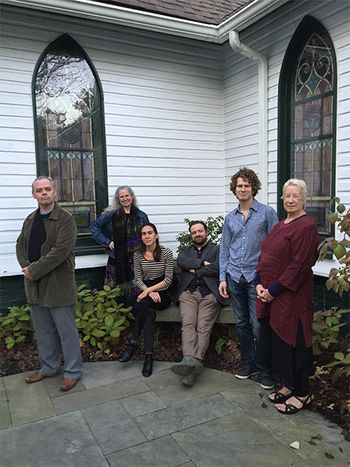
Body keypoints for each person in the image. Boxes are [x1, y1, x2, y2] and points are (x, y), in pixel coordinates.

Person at [256, 179, 319, 414]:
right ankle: (289, 384)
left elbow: (299, 265)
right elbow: (266, 255)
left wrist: (273, 290)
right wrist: (258, 284)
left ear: (303, 199)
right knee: (280, 345)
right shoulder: (280, 224)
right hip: (271, 295)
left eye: (295, 195)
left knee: (296, 343)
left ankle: (303, 393)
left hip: (291, 298)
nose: (290, 200)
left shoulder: (307, 226)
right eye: (287, 196)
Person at [16, 176, 83, 392]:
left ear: (54, 192)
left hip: (58, 285)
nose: (44, 193)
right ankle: (49, 367)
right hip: (34, 286)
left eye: (47, 189)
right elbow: (20, 245)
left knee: (66, 331)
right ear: (33, 194)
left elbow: (60, 252)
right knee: (43, 331)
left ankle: (73, 372)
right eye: (39, 190)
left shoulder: (65, 220)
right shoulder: (29, 219)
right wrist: (26, 266)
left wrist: (32, 270)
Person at [219, 167, 279, 389]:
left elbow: (276, 246)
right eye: (239, 186)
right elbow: (225, 248)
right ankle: (248, 364)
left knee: (258, 326)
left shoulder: (266, 213)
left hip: (257, 278)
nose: (242, 189)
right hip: (234, 276)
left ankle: (265, 370)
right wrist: (222, 278)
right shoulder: (230, 218)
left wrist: (269, 278)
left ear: (254, 187)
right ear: (234, 190)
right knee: (242, 324)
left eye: (246, 185)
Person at [171, 220, 224, 386]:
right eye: (194, 232)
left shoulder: (216, 250)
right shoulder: (185, 250)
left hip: (209, 295)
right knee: (188, 323)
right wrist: (201, 263)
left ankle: (190, 367)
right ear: (191, 235)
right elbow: (181, 262)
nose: (197, 234)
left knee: (203, 326)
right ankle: (190, 360)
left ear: (206, 232)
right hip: (188, 294)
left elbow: (218, 267)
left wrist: (195, 270)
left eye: (200, 231)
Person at [118, 223, 174, 377]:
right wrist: (147, 291)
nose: (147, 236)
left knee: (143, 304)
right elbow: (137, 279)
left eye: (150, 233)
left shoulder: (166, 253)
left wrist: (150, 291)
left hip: (163, 291)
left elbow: (168, 280)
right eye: (144, 234)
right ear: (141, 238)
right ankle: (148, 357)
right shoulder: (137, 255)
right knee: (147, 311)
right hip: (145, 290)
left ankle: (134, 343)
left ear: (156, 235)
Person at [90, 186, 149, 299]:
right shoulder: (111, 214)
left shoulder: (141, 215)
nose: (125, 198)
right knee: (114, 292)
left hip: (135, 259)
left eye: (127, 195)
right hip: (116, 259)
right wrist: (107, 242)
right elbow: (94, 226)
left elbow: (148, 233)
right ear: (118, 199)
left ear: (131, 197)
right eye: (121, 196)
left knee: (136, 291)